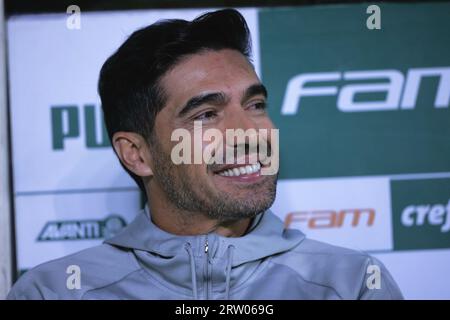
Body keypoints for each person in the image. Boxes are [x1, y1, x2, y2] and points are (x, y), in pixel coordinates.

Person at [7, 8, 403, 300]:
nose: (251, 133)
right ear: (136, 154)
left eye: (256, 105)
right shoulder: (52, 293)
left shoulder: (351, 285)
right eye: (207, 114)